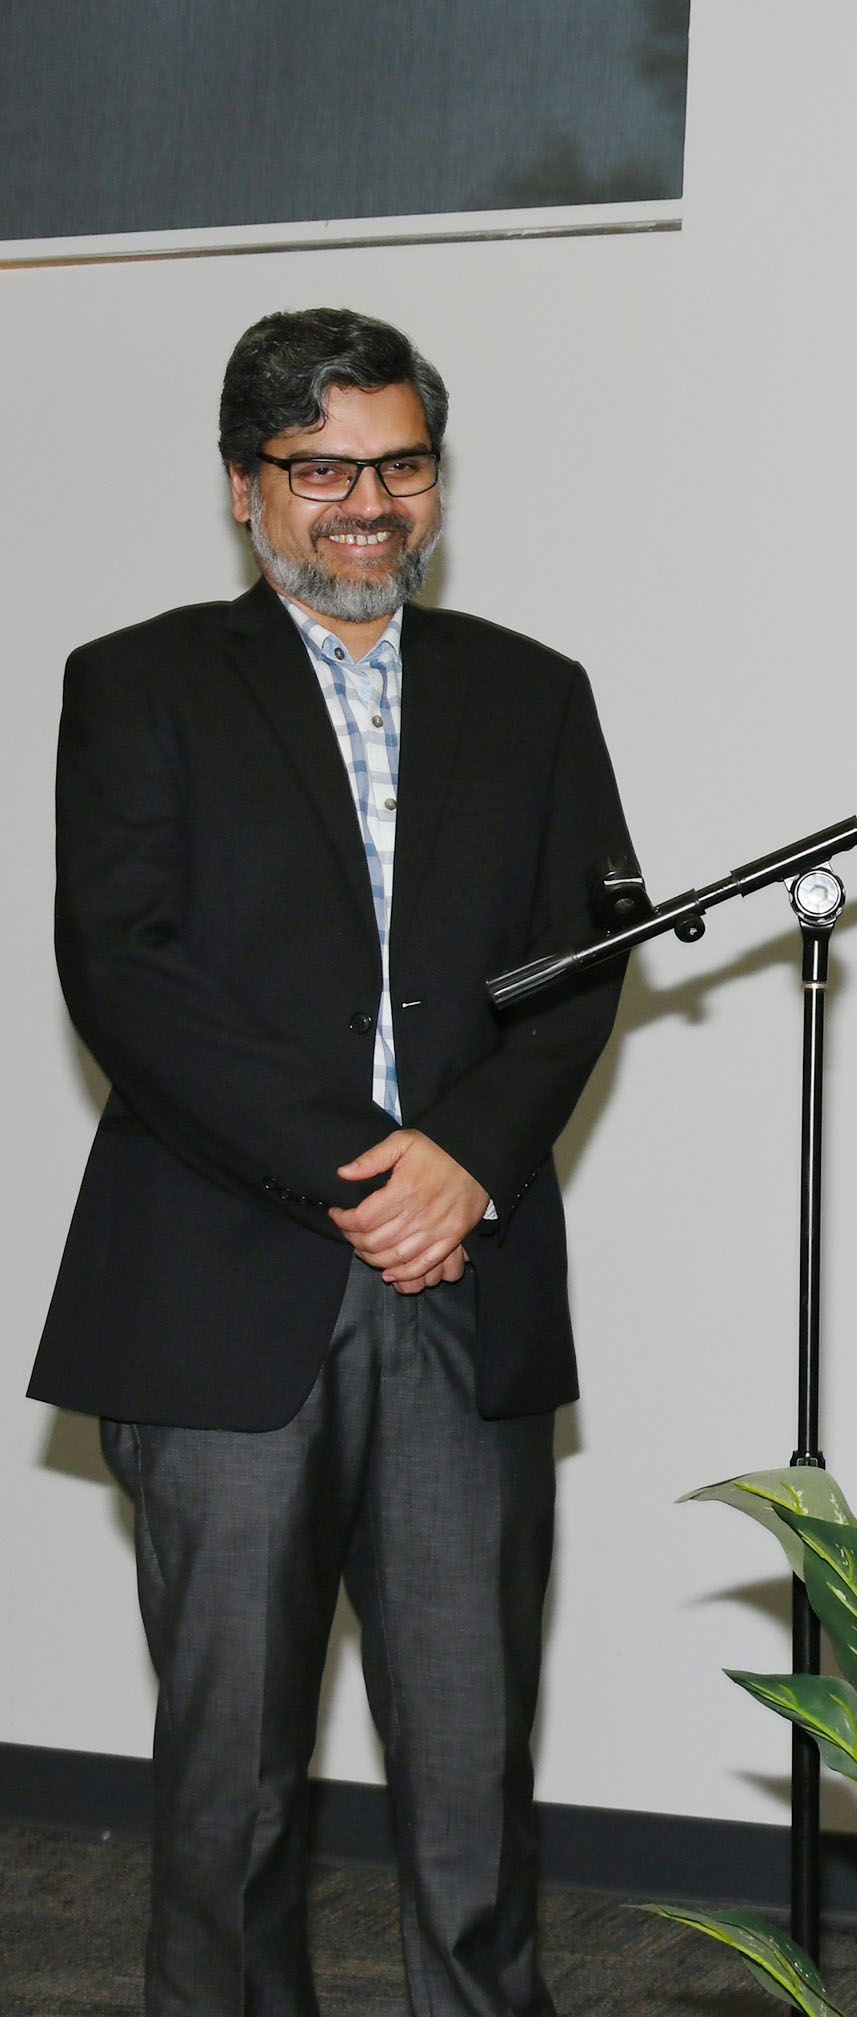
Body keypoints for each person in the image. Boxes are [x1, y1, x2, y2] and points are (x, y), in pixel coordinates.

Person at [34, 309, 638, 2015]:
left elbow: (592, 959)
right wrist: (380, 1168)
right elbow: (125, 973)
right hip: (225, 1299)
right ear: (247, 489)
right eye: (322, 471)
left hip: (466, 1289)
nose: (365, 503)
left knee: (472, 1782)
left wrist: (470, 1163)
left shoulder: (534, 695)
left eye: (399, 463)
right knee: (227, 1794)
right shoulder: (138, 684)